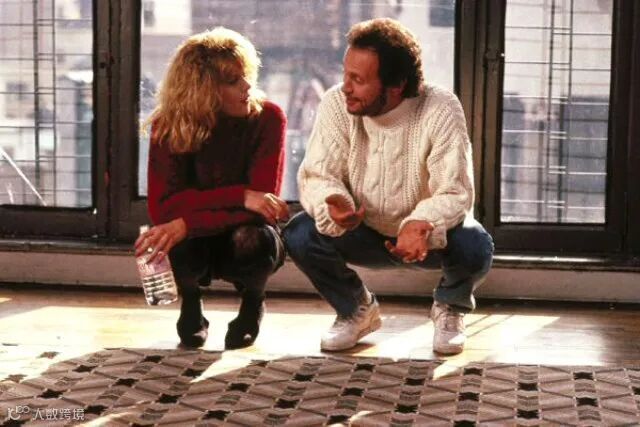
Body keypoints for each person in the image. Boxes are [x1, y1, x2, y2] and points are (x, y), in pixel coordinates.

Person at [283, 18, 493, 355]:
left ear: (396, 86)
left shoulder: (440, 108)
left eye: (358, 79)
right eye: (346, 74)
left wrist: (420, 222)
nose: (345, 87)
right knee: (299, 233)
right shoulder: (337, 104)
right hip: (362, 231)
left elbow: (455, 191)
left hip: (425, 238)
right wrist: (334, 202)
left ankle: (450, 307)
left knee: (476, 244)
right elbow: (317, 175)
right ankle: (356, 309)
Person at [134, 27, 289, 350]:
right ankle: (191, 301)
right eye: (233, 81)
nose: (247, 86)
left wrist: (188, 219)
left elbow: (262, 210)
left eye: (245, 75)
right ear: (203, 90)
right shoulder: (169, 125)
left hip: (245, 233)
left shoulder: (269, 119)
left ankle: (253, 301)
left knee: (253, 239)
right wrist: (240, 196)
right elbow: (164, 209)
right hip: (197, 238)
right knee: (166, 236)